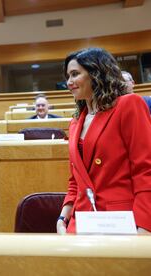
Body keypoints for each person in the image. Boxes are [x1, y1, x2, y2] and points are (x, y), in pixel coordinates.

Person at [57, 48, 151, 234]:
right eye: (68, 76)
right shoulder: (75, 122)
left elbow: (145, 170)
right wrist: (63, 218)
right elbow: (75, 180)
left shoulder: (129, 105)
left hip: (122, 220)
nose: (69, 82)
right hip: (81, 222)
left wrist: (145, 226)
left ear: (96, 73)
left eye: (75, 74)